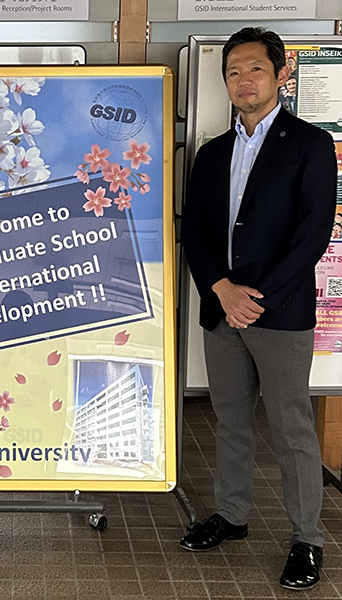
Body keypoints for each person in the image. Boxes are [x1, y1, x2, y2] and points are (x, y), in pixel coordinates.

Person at [181, 28, 337, 590]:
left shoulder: (310, 146)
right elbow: (195, 231)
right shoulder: (213, 151)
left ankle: (307, 540)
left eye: (255, 70)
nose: (243, 81)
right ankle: (232, 514)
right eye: (233, 72)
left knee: (292, 427)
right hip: (222, 311)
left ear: (280, 75)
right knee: (230, 421)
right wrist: (222, 289)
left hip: (281, 312)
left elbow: (311, 235)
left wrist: (255, 297)